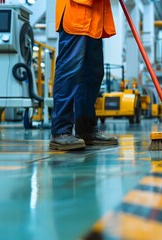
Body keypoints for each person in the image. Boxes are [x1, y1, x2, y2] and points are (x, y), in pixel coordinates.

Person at [50, 0, 118, 150]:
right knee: (69, 72)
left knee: (93, 74)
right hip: (76, 12)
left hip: (95, 17)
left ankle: (86, 128)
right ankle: (60, 131)